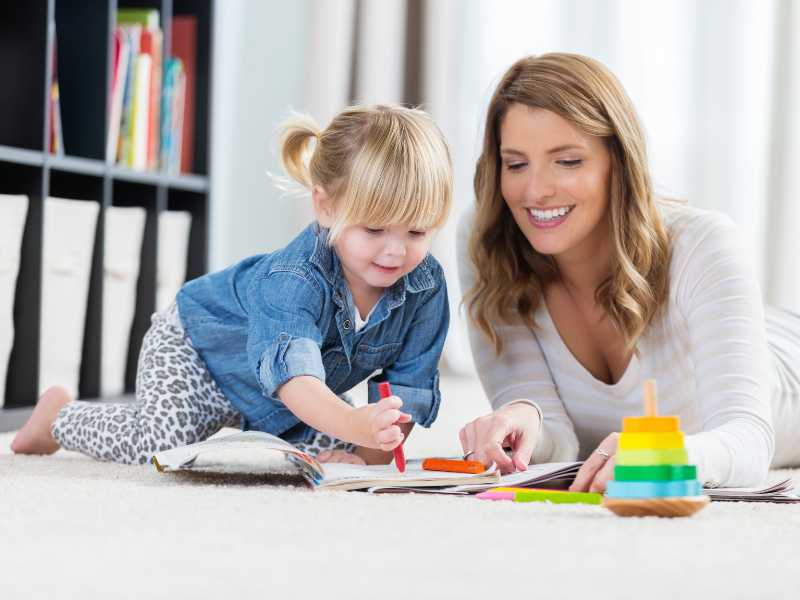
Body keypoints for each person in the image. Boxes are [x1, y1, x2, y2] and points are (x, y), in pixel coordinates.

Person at [12, 104, 453, 466]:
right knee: (160, 448)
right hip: (199, 352)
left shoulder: (425, 287)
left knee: (318, 458)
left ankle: (281, 434)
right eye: (374, 229)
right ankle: (58, 418)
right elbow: (295, 379)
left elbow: (407, 389)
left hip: (284, 402)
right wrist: (355, 426)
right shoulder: (293, 279)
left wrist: (364, 454)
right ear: (325, 206)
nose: (396, 252)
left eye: (417, 232)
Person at [456, 52, 800, 490]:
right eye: (516, 164)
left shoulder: (704, 244)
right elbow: (559, 441)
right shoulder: (489, 238)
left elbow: (749, 446)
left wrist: (657, 455)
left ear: (617, 162)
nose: (536, 191)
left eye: (568, 161)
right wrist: (521, 418)